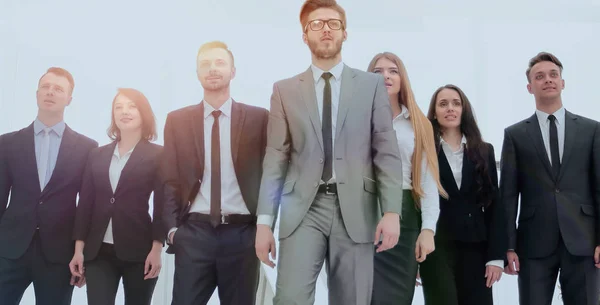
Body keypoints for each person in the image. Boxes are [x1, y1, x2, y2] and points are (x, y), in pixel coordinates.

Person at [254, 1, 404, 304]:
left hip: (357, 209)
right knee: (290, 299)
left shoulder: (372, 85)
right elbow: (276, 158)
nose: (325, 29)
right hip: (302, 211)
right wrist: (264, 223)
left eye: (333, 23)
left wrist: (391, 212)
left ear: (344, 33)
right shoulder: (284, 90)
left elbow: (386, 152)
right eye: (316, 23)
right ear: (304, 35)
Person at [161, 41, 269, 305]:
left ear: (233, 71)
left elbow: (272, 177)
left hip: (242, 234)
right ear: (197, 73)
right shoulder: (177, 121)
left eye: (220, 63)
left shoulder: (259, 119)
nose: (212, 69)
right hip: (194, 234)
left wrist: (265, 226)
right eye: (205, 64)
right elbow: (169, 180)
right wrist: (174, 230)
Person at [500, 51, 600, 305]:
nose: (548, 80)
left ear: (562, 83)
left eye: (553, 75)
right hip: (534, 243)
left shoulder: (592, 130)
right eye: (540, 76)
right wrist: (508, 245)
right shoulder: (515, 135)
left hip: (583, 241)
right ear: (529, 87)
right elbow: (508, 196)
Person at [0, 67, 98, 305]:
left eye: (58, 89)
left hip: (59, 254)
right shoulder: (7, 143)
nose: (50, 93)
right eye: (46, 87)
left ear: (69, 99)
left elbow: (86, 206)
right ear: (36, 94)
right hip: (10, 249)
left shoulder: (87, 148)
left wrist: (81, 252)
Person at [69, 88, 164, 305]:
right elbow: (85, 205)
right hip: (98, 252)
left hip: (140, 251)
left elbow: (161, 205)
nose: (124, 112)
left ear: (143, 113)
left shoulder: (158, 155)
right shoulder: (97, 154)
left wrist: (157, 249)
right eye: (118, 107)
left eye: (132, 106)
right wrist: (78, 251)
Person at [367, 52, 446, 305]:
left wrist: (428, 229)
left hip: (405, 219)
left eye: (392, 70)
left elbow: (427, 181)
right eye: (377, 71)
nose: (385, 76)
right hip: (362, 214)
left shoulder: (418, 124)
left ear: (402, 78)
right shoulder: (355, 119)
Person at [419, 84, 506, 305]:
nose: (450, 108)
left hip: (476, 246)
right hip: (436, 247)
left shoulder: (484, 151)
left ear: (463, 110)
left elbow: (494, 206)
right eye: (443, 104)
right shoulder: (423, 151)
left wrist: (496, 256)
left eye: (456, 103)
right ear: (435, 112)